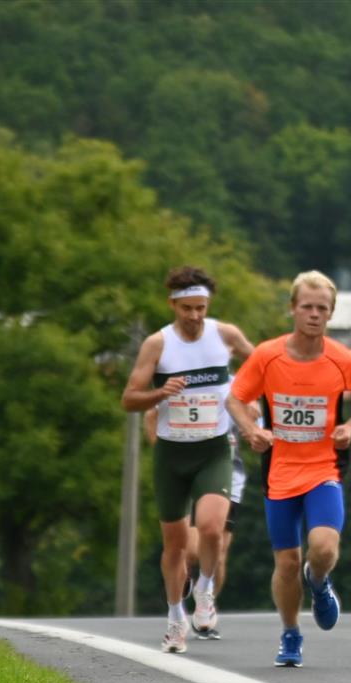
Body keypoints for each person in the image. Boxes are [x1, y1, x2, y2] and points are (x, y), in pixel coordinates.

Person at [228, 270, 351, 668]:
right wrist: (251, 431)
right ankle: (291, 632)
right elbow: (235, 398)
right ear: (293, 309)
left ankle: (319, 580)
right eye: (307, 307)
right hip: (280, 472)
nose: (314, 314)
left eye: (322, 308)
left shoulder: (341, 359)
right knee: (286, 563)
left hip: (324, 469)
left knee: (324, 548)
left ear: (330, 314)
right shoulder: (267, 356)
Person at [121, 265, 254, 653]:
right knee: (175, 545)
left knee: (211, 528)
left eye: (201, 308)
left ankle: (205, 589)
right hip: (172, 454)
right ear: (173, 305)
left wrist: (248, 402)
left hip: (214, 449)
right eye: (187, 308)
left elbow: (264, 365)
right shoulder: (157, 344)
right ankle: (175, 618)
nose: (195, 316)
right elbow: (129, 399)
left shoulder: (225, 335)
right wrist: (160, 394)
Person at [143, 401, 260, 640]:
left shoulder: (235, 390)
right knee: (191, 549)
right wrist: (164, 458)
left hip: (228, 474)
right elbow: (150, 415)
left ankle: (204, 607)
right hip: (187, 472)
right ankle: (184, 583)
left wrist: (252, 419)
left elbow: (257, 429)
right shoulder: (181, 385)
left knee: (220, 550)